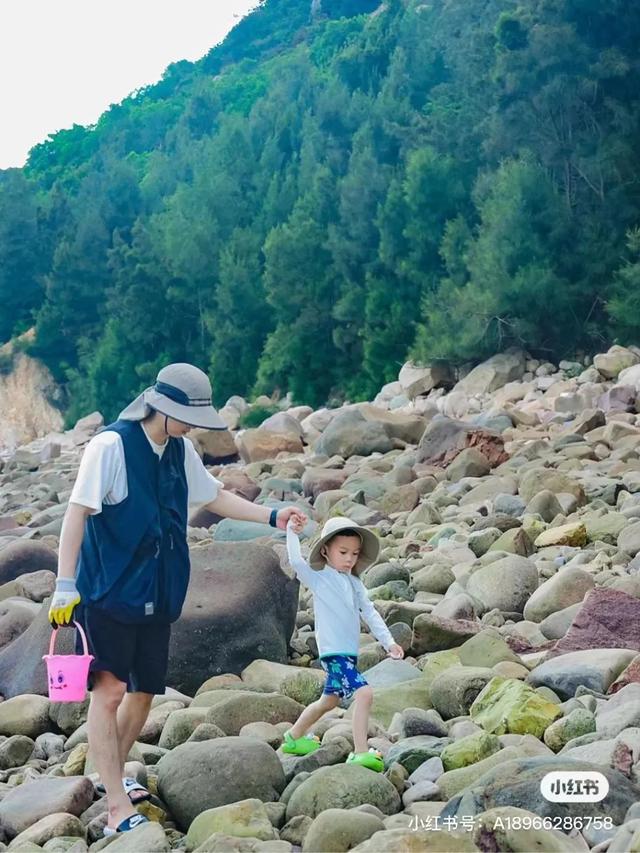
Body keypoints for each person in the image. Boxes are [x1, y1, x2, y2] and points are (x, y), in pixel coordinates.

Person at [48, 363, 307, 835]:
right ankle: (115, 810)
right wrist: (66, 585)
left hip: (158, 591)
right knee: (107, 694)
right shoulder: (110, 446)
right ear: (159, 407)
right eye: (185, 416)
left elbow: (213, 497)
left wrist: (273, 515)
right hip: (108, 591)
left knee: (144, 694)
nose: (192, 426)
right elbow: (76, 515)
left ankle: (108, 777)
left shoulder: (180, 450)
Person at [283, 515, 404, 772]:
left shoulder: (355, 582)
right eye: (343, 552)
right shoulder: (319, 577)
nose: (350, 559)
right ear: (325, 550)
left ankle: (293, 739)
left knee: (329, 701)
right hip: (333, 652)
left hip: (348, 653)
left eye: (355, 553)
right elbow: (295, 560)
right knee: (364, 693)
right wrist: (292, 532)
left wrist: (389, 642)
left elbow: (369, 612)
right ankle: (360, 752)